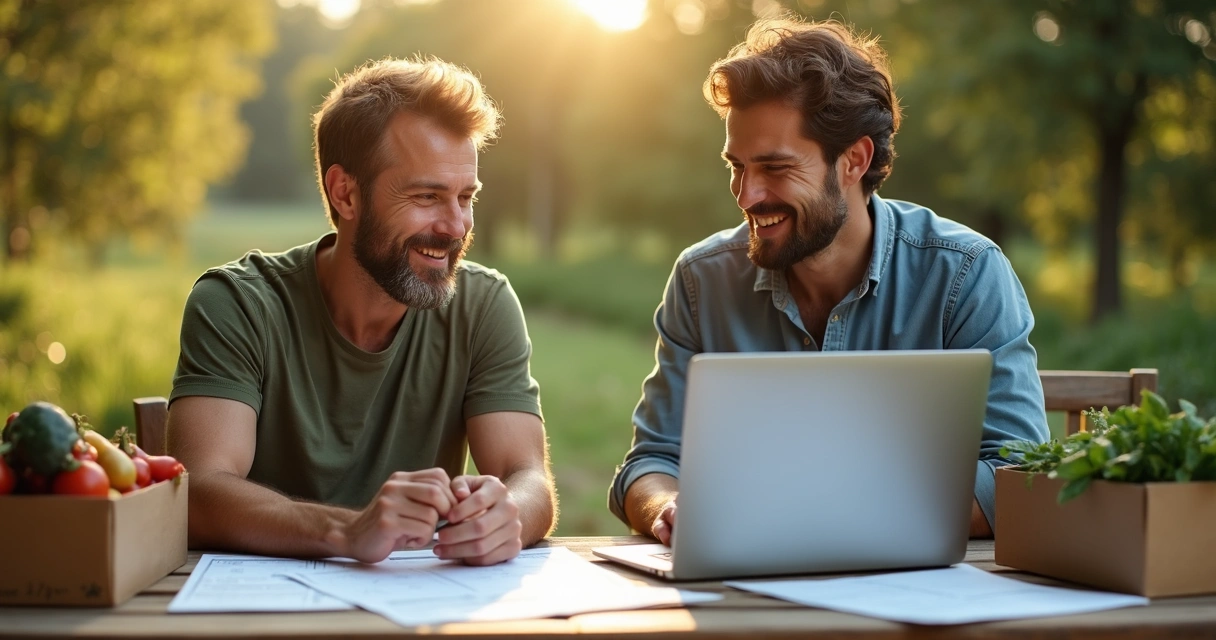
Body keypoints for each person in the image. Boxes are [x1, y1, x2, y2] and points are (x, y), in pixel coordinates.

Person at [609, 18, 1048, 544]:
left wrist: (804, 513)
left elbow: (1017, 472)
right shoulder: (701, 281)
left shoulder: (965, 273)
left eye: (774, 167)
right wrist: (668, 508)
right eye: (737, 166)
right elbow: (653, 461)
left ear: (854, 161)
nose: (747, 195)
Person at [168, 57, 556, 566]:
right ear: (345, 193)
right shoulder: (238, 304)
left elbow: (527, 477)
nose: (456, 226)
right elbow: (199, 492)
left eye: (465, 197)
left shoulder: (483, 305)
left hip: (418, 608)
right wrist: (346, 531)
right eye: (427, 196)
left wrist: (509, 514)